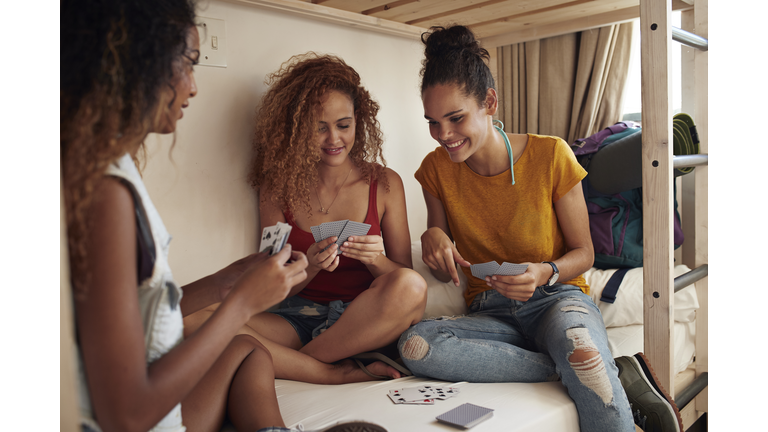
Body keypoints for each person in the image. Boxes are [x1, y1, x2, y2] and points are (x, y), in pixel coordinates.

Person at [62, 1, 386, 431]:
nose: (193, 87)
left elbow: (145, 312)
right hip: (144, 417)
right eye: (187, 64)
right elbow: (127, 415)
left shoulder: (109, 170)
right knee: (241, 337)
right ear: (139, 63)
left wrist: (224, 282)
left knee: (249, 351)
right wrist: (239, 305)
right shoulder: (104, 194)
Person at [396, 25, 684, 432]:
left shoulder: (551, 154)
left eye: (456, 118)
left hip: (556, 299)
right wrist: (433, 238)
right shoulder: (435, 171)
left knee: (583, 354)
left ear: (489, 102)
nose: (444, 135)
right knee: (417, 345)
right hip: (490, 312)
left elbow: (584, 254)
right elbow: (446, 264)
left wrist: (543, 272)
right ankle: (568, 367)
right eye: (433, 122)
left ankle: (584, 361)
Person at [185, 53, 427, 381]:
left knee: (412, 287)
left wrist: (376, 261)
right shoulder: (276, 187)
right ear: (298, 129)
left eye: (343, 125)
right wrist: (311, 265)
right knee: (189, 317)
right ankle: (327, 371)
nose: (334, 140)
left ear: (359, 120)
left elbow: (404, 278)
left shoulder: (384, 184)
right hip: (295, 317)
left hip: (361, 321)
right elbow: (273, 283)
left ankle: (299, 363)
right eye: (319, 128)